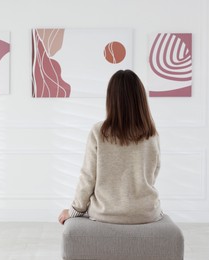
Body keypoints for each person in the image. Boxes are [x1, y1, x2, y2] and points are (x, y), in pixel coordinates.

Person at [58, 69, 163, 225]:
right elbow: (152, 174)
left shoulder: (99, 132)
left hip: (106, 213)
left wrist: (75, 210)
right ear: (141, 99)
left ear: (111, 99)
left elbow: (88, 177)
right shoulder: (151, 134)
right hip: (146, 213)